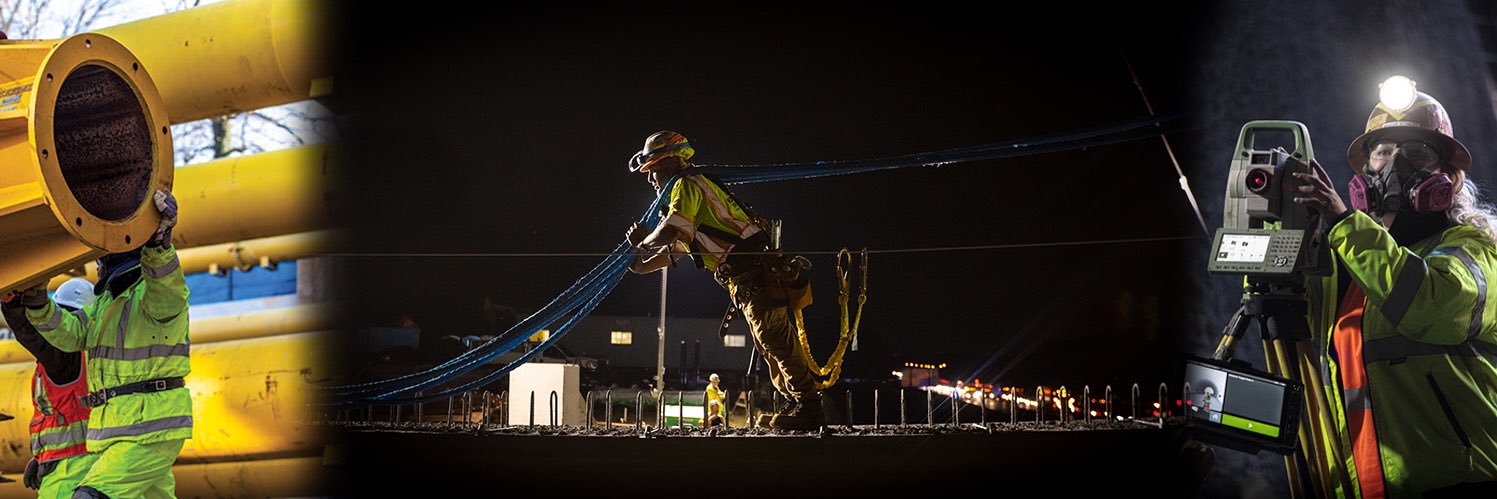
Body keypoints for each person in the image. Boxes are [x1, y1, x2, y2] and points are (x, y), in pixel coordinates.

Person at [1292, 81, 1497, 497]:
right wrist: (1282, 239)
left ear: (1448, 177)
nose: (1396, 164)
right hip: (1360, 485)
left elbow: (1432, 307)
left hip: (1460, 481)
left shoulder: (1475, 250)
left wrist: (1345, 224)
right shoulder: (1343, 263)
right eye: (1383, 152)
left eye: (1416, 152)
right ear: (1364, 173)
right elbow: (1283, 327)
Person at [625, 131, 824, 431]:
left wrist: (643, 243)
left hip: (754, 274)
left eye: (652, 169)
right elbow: (677, 248)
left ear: (668, 163)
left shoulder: (686, 184)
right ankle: (798, 403)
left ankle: (808, 405)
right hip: (748, 280)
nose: (650, 178)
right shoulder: (691, 189)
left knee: (776, 343)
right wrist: (641, 267)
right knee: (770, 344)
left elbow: (671, 232)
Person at [20, 189, 191, 499]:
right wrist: (36, 302)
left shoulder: (153, 298)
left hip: (146, 429)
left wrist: (158, 244)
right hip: (117, 430)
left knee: (91, 496)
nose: (97, 267)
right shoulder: (104, 305)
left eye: (100, 260)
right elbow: (69, 335)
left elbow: (167, 284)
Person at [4, 278, 97, 498]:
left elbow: (30, 334)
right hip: (70, 465)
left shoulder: (66, 353)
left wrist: (13, 303)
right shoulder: (80, 358)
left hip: (71, 475)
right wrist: (42, 456)